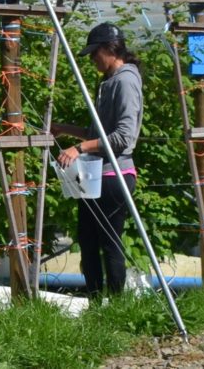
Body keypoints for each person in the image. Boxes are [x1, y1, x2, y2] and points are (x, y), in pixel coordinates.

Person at [55, 21, 144, 298]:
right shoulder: (108, 81)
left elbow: (123, 138)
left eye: (95, 52)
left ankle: (115, 305)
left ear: (111, 49)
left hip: (114, 176)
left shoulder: (125, 82)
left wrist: (78, 148)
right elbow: (99, 134)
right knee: (87, 242)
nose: (92, 58)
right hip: (94, 176)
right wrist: (63, 129)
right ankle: (95, 305)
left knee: (109, 243)